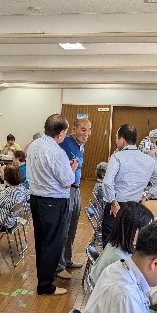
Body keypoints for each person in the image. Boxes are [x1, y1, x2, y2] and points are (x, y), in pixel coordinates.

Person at [27, 114, 77, 296]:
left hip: (36, 199)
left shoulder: (33, 145)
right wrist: (72, 168)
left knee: (41, 241)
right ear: (62, 132)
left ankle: (43, 278)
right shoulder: (56, 152)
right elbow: (67, 181)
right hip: (53, 202)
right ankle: (45, 285)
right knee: (52, 242)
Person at [101, 124, 157, 245]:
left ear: (122, 139)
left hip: (117, 207)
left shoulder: (117, 157)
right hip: (136, 207)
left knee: (111, 243)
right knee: (131, 242)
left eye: (116, 138)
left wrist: (113, 202)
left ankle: (109, 264)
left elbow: (107, 182)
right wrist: (146, 196)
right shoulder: (148, 159)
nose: (116, 141)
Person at [56, 118, 92, 279]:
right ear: (74, 129)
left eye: (89, 130)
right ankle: (58, 265)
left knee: (72, 227)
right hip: (65, 189)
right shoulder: (65, 143)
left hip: (76, 188)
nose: (86, 133)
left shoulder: (80, 145)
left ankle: (67, 259)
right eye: (83, 129)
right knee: (63, 228)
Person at [89, 202, 154, 284]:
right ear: (130, 229)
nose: (147, 235)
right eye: (145, 230)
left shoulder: (116, 243)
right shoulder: (120, 260)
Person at [0, 165, 28, 234]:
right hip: (12, 220)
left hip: (1, 222)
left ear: (7, 177)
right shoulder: (22, 189)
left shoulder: (8, 192)